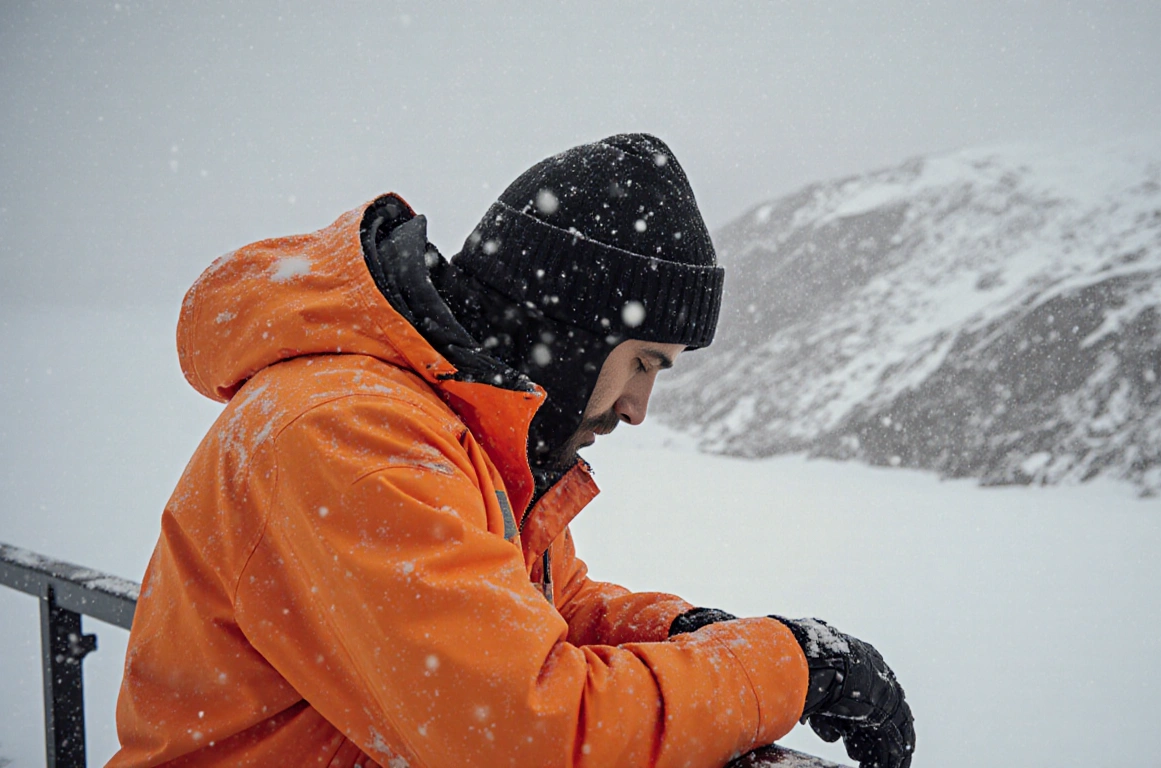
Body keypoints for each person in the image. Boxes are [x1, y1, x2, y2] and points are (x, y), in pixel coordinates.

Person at [109, 134, 914, 768]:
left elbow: (541, 614)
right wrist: (784, 668)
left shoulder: (461, 428)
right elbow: (528, 735)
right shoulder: (353, 437)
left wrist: (686, 632)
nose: (638, 409)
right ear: (566, 334)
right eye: (641, 365)